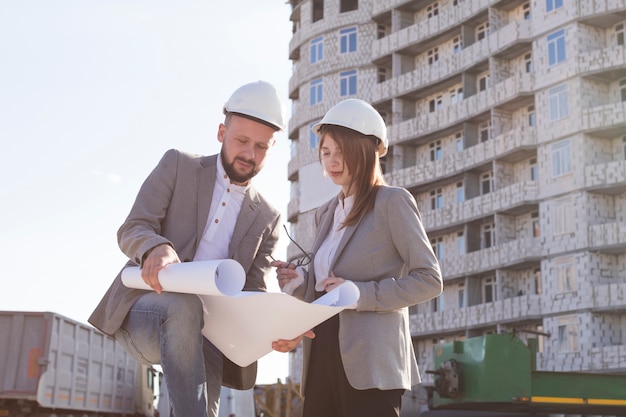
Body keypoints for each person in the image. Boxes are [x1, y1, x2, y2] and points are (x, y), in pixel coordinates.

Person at [89, 80, 287, 417]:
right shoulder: (178, 166)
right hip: (146, 312)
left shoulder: (267, 216)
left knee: (202, 408)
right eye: (241, 141)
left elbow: (252, 290)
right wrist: (155, 248)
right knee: (183, 305)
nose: (249, 155)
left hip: (209, 332)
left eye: (261, 147)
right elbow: (133, 227)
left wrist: (273, 328)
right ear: (221, 132)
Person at [270, 98, 443, 417]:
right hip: (321, 352)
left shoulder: (393, 202)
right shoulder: (324, 213)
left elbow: (429, 281)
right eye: (326, 152)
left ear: (364, 152)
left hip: (371, 363)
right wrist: (301, 282)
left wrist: (359, 294)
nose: (332, 161)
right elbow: (326, 284)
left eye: (341, 152)